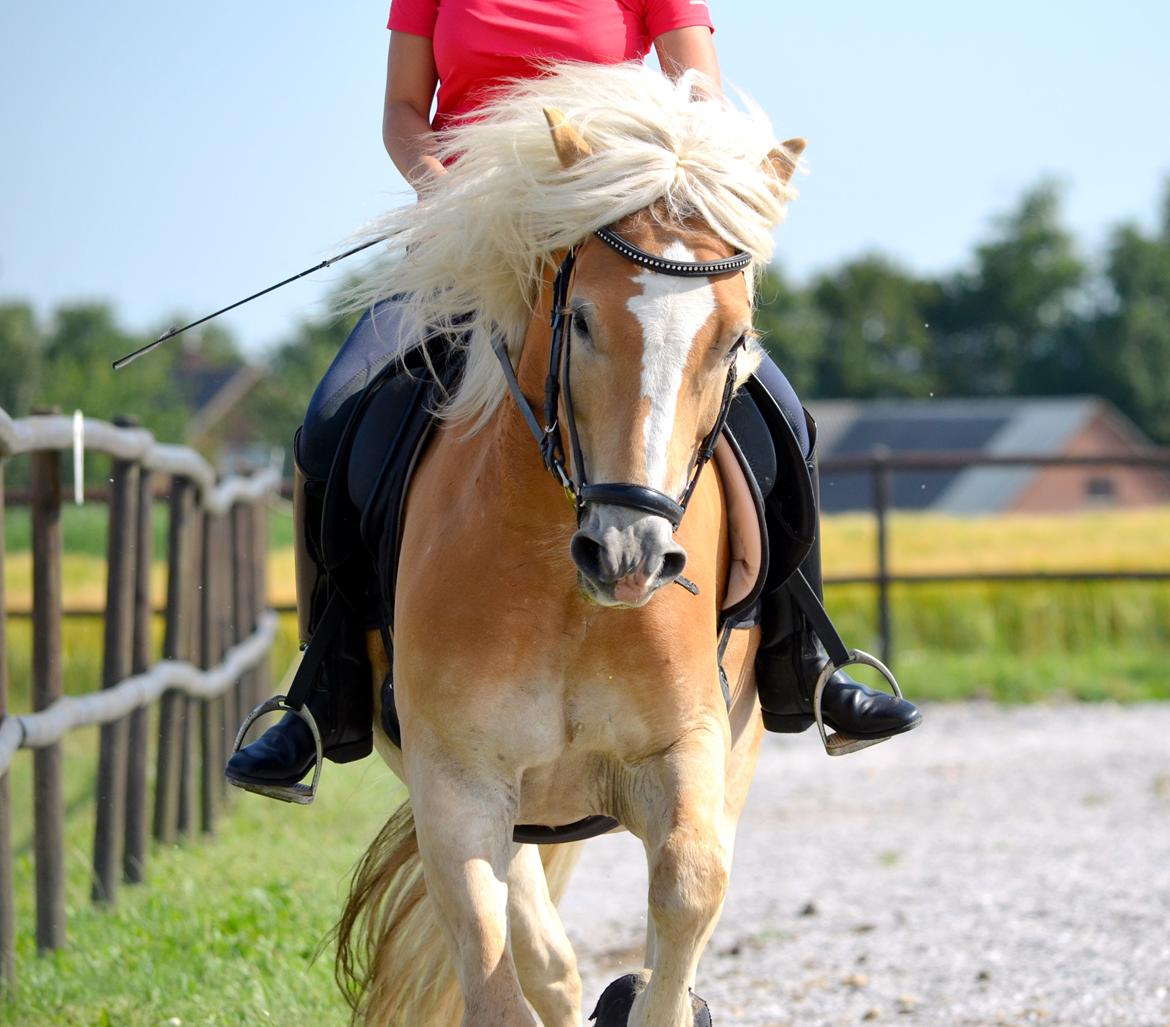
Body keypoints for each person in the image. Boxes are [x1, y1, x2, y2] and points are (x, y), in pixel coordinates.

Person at [226, 0, 921, 795]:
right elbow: (402, 114)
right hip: (472, 244)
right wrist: (453, 192)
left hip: (615, 242)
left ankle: (808, 663)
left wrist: (648, 188)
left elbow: (700, 99)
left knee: (783, 419)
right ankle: (322, 694)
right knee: (332, 417)